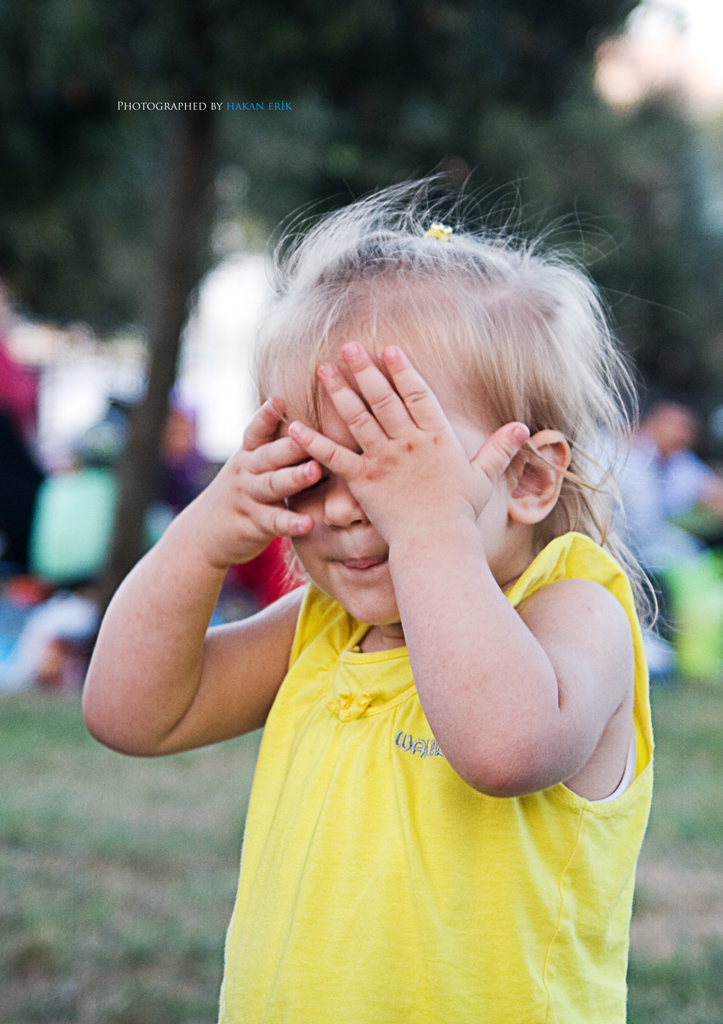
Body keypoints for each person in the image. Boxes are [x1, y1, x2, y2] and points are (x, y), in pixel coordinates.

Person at [83, 183, 653, 1024]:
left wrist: (430, 532)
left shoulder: (572, 608)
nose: (344, 507)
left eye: (395, 466)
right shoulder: (323, 631)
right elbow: (132, 716)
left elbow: (503, 749)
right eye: (311, 469)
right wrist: (201, 536)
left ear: (529, 478)